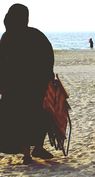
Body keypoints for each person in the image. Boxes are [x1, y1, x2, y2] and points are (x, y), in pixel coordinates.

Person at [0, 4, 55, 164]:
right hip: (35, 86)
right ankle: (36, 147)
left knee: (18, 118)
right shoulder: (35, 35)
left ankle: (27, 154)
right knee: (35, 115)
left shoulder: (7, 37)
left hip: (14, 87)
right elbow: (48, 57)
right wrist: (47, 78)